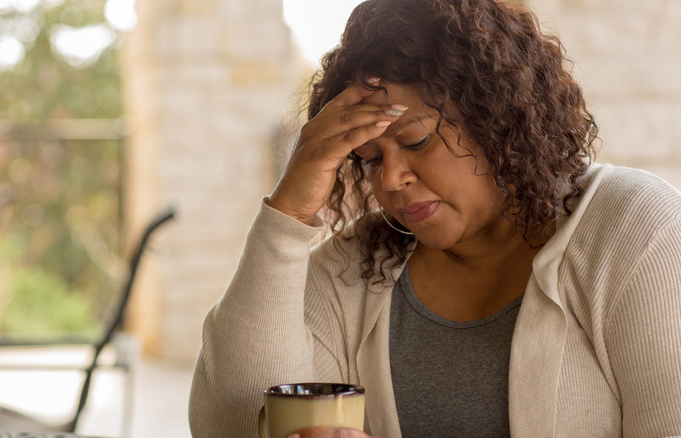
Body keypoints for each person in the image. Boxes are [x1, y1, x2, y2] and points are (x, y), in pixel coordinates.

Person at [188, 0, 681, 436]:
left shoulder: (636, 233)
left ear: (495, 116)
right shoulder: (355, 269)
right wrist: (289, 212)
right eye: (370, 158)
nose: (391, 180)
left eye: (416, 140)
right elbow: (231, 424)